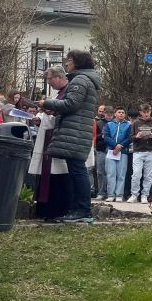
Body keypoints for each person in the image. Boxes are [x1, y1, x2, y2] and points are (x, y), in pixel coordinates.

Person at [38, 51, 101, 223]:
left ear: (77, 62)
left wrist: (47, 103)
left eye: (70, 61)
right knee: (76, 170)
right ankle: (77, 209)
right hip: (77, 130)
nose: (67, 64)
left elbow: (72, 104)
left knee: (78, 171)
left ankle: (83, 210)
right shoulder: (85, 79)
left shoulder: (80, 80)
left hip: (75, 131)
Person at [28, 103, 69, 222]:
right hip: (47, 142)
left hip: (59, 142)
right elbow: (46, 121)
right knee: (47, 177)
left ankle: (57, 211)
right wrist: (40, 119)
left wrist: (52, 112)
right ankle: (45, 210)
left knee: (59, 178)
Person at [128, 103, 152, 203]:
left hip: (150, 152)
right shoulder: (135, 123)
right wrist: (137, 136)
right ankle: (134, 195)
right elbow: (130, 138)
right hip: (138, 151)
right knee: (136, 174)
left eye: (148, 112)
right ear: (140, 112)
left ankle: (144, 195)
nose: (146, 114)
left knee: (148, 176)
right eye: (144, 112)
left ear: (150, 111)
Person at [104, 107, 131, 202]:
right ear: (115, 114)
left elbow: (129, 138)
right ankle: (111, 195)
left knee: (121, 174)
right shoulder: (109, 124)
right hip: (111, 151)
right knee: (110, 173)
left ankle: (119, 194)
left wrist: (120, 146)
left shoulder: (128, 125)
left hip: (123, 152)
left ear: (125, 114)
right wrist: (115, 145)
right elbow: (106, 137)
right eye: (119, 112)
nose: (121, 114)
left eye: (123, 112)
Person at [93, 105, 113, 200]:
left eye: (111, 114)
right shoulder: (98, 123)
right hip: (101, 149)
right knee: (100, 172)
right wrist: (102, 136)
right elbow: (94, 136)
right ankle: (101, 192)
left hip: (112, 150)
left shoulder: (115, 123)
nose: (109, 115)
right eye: (107, 113)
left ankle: (110, 193)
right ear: (104, 113)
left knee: (111, 173)